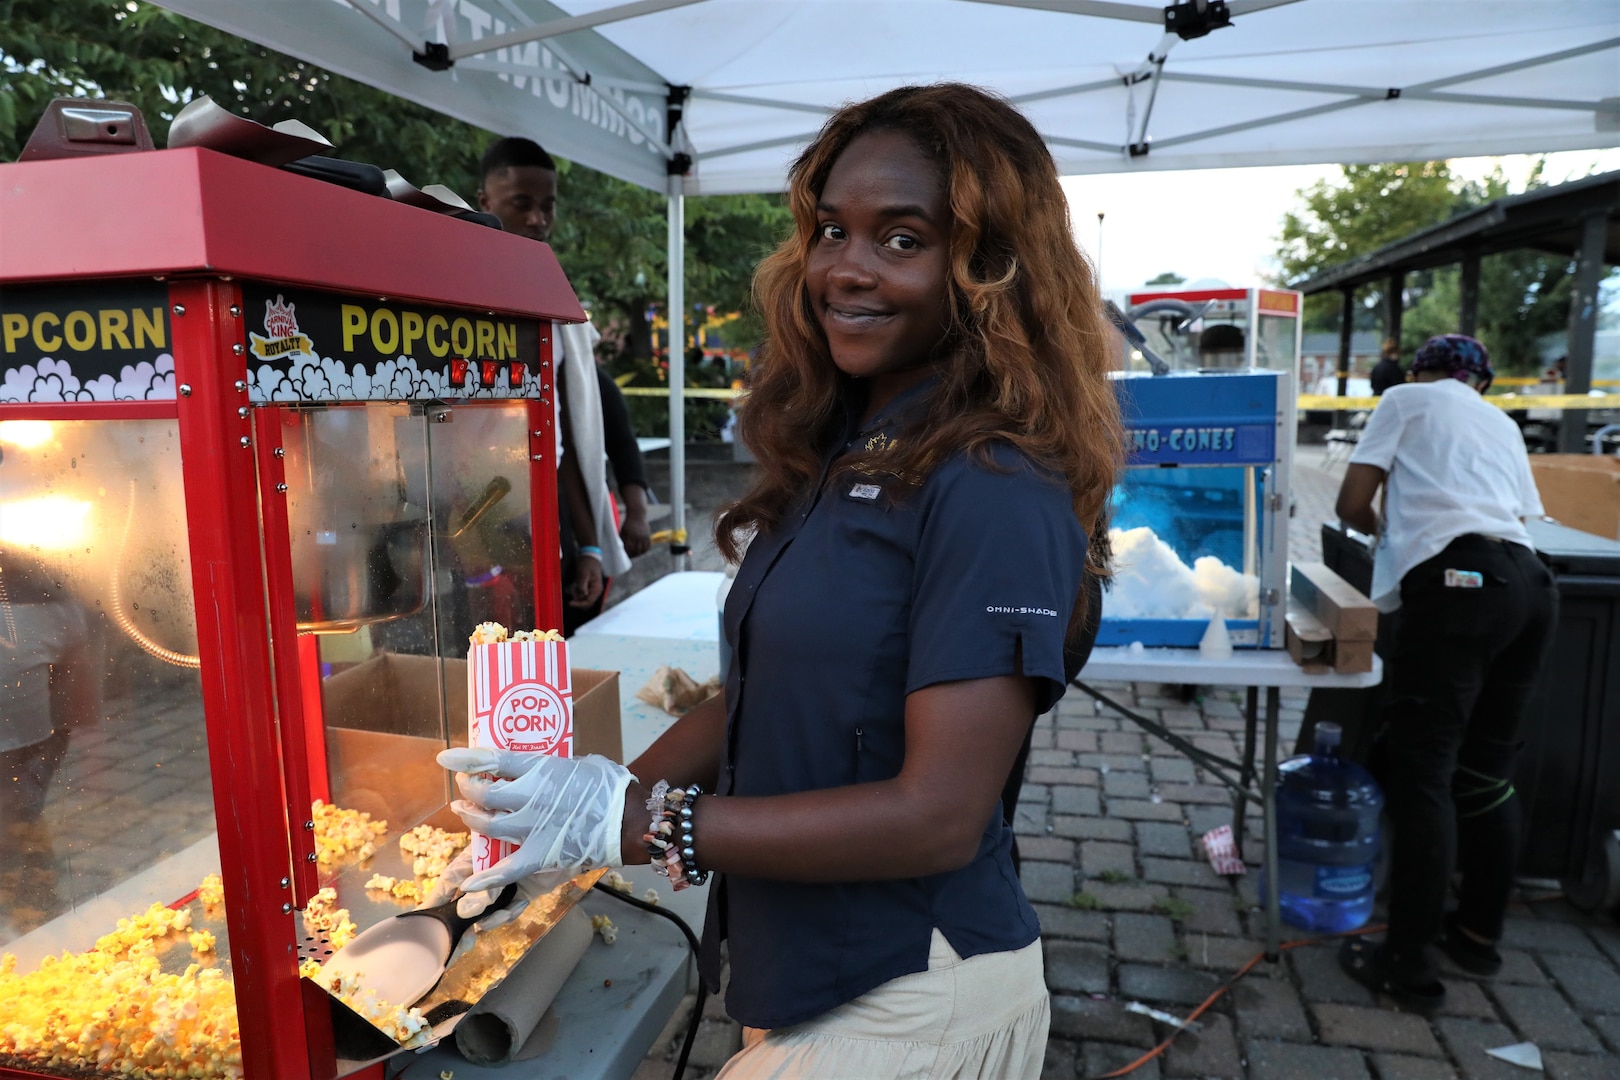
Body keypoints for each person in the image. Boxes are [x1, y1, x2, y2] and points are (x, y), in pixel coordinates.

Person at [436, 83, 1123, 1078]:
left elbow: (940, 812)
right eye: (832, 230)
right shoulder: (854, 442)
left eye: (902, 239)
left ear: (990, 268)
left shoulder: (992, 482)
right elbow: (763, 691)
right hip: (801, 965)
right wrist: (576, 806)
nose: (847, 268)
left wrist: (635, 824)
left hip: (910, 991)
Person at [1333, 333, 1556, 1014]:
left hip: (1460, 585)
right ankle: (1476, 939)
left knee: (1421, 773)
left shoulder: (1403, 399)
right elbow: (1515, 517)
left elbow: (1350, 504)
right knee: (1487, 772)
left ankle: (1410, 968)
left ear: (1420, 371)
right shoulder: (1500, 421)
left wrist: (1395, 540)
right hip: (1533, 586)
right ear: (1482, 382)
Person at [476, 137, 651, 633]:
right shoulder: (460, 289)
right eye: (521, 204)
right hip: (473, 522)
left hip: (550, 521)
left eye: (547, 206)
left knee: (556, 648)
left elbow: (569, 436)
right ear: (485, 202)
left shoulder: (553, 300)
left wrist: (591, 546)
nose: (537, 219)